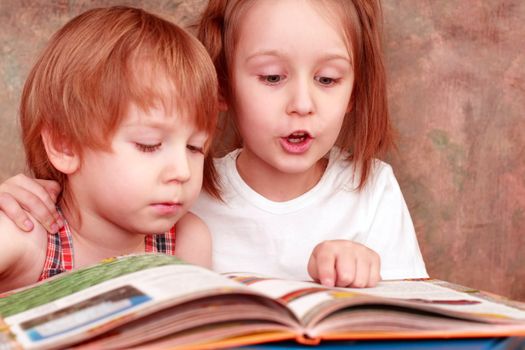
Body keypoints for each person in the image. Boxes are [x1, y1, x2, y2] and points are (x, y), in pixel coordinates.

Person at [1, 0, 428, 288]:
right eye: (273, 77)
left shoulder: (186, 235)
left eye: (195, 149)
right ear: (223, 85)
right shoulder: (188, 208)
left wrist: (360, 274)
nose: (302, 104)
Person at [0, 6, 219, 293]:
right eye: (148, 145)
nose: (182, 171)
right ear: (64, 145)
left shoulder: (187, 241)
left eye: (195, 147)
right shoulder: (24, 235)